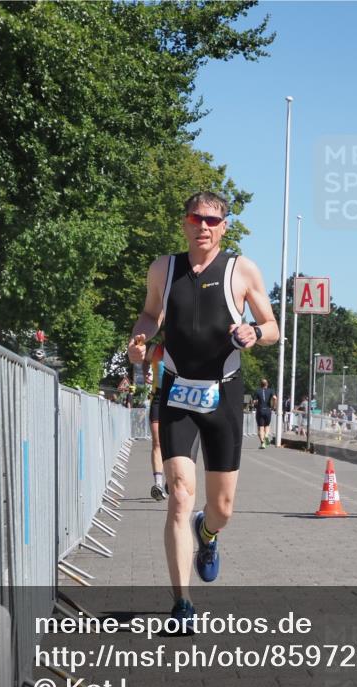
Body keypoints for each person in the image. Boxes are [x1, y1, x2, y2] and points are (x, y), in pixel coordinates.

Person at [127, 191, 279, 628]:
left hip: (223, 394)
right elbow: (149, 315)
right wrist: (139, 341)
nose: (204, 226)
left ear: (223, 226)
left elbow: (272, 327)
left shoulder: (241, 269)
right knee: (178, 495)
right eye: (197, 218)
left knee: (223, 507)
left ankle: (207, 534)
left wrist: (254, 332)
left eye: (213, 220)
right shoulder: (163, 268)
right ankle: (182, 603)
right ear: (185, 222)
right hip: (177, 391)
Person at [143, 338, 167, 501]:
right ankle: (158, 484)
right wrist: (145, 372)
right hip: (158, 396)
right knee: (157, 442)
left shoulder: (185, 347)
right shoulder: (155, 349)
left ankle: (173, 479)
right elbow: (144, 359)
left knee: (174, 443)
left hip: (178, 397)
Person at [252, 378, 276, 448]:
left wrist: (255, 404)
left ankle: (263, 443)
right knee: (267, 426)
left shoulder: (257, 391)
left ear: (260, 384)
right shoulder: (271, 390)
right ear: (267, 384)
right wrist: (273, 406)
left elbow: (255, 402)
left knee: (261, 428)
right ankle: (266, 436)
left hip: (260, 410)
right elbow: (275, 398)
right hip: (268, 410)